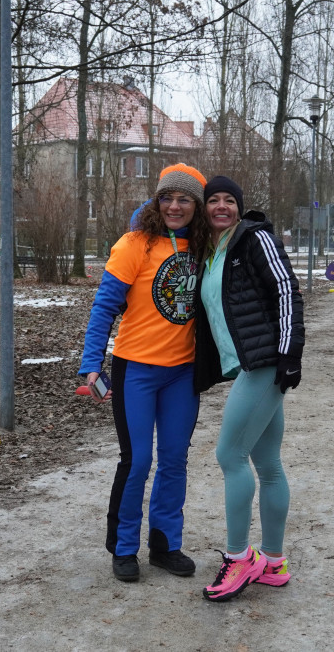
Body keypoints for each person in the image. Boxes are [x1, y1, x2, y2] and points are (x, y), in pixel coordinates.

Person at [79, 163, 210, 583]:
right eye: (168, 197)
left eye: (184, 198)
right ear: (157, 201)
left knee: (174, 460)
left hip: (182, 375)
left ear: (197, 206)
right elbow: (103, 307)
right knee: (137, 461)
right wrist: (90, 364)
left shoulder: (206, 248)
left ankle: (165, 545)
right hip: (136, 369)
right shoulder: (135, 244)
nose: (175, 205)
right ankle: (124, 547)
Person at [193, 176, 304, 602]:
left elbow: (286, 292)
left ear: (240, 206)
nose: (221, 206)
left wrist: (290, 354)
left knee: (229, 455)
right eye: (214, 200)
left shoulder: (254, 239)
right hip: (246, 365)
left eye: (229, 200)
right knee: (269, 463)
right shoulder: (212, 250)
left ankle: (239, 558)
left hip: (264, 364)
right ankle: (273, 563)